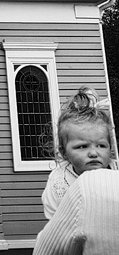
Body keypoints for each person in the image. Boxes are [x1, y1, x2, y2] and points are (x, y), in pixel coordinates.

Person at [41, 88, 116, 219]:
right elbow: (54, 220)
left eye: (101, 145)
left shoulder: (115, 173)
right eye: (82, 146)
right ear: (64, 153)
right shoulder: (60, 182)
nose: (93, 153)